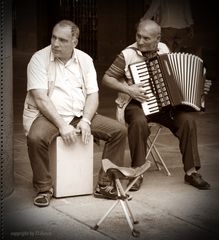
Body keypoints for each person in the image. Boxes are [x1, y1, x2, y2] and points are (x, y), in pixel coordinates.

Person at [22, 20, 127, 207]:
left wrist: (86, 120)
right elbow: (40, 99)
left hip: (79, 114)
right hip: (48, 116)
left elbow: (93, 94)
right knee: (35, 138)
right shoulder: (38, 59)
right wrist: (62, 125)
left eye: (62, 40)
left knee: (118, 131)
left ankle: (105, 184)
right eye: (53, 37)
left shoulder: (85, 60)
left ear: (74, 42)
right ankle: (44, 188)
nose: (55, 43)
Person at [102, 18, 211, 191]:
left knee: (188, 121)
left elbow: (174, 79)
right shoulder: (128, 54)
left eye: (146, 38)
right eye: (138, 36)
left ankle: (191, 172)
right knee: (138, 122)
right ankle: (137, 172)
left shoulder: (164, 49)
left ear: (158, 39)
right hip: (135, 103)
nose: (140, 41)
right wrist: (129, 89)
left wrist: (200, 86)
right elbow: (106, 78)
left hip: (163, 105)